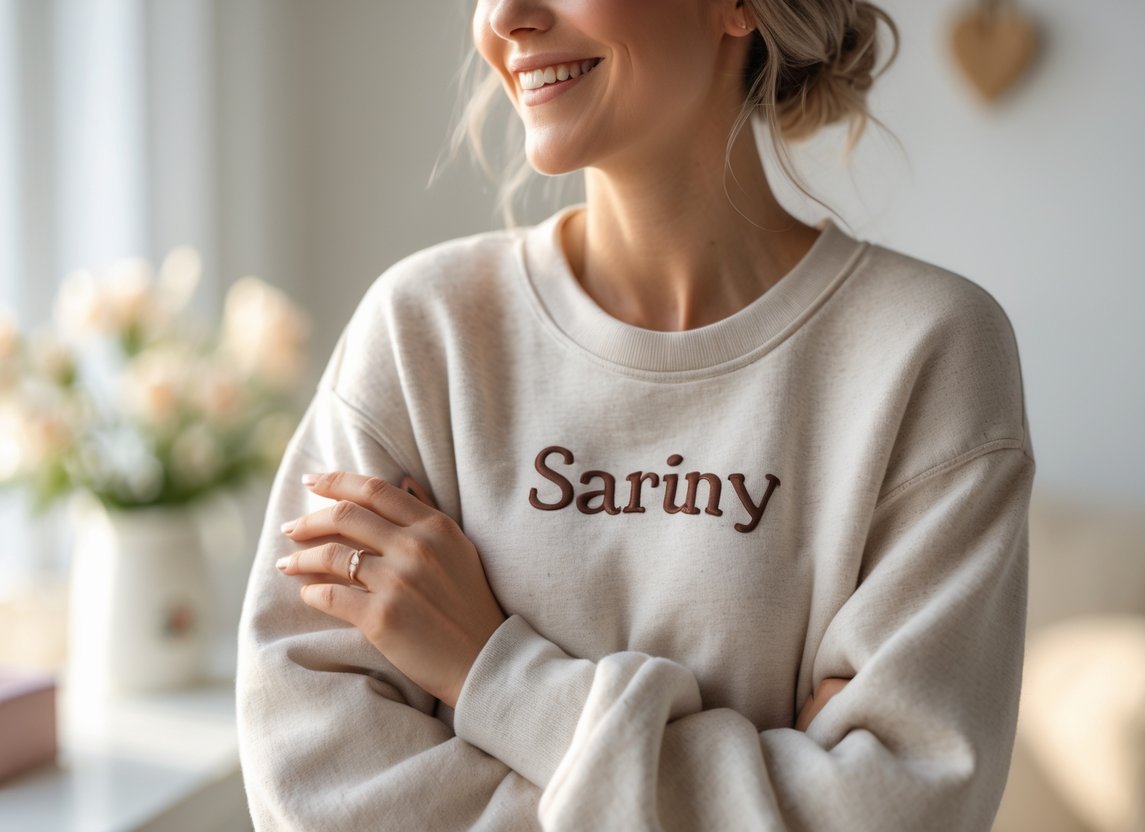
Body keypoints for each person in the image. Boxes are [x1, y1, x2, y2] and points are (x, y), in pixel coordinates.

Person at [235, 0, 1036, 829]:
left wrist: (490, 676)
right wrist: (763, 787)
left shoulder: (925, 350)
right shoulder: (423, 332)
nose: (506, 17)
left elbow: (898, 810)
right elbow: (315, 790)